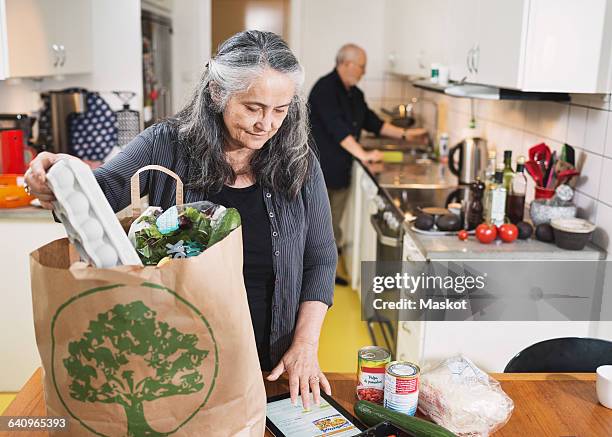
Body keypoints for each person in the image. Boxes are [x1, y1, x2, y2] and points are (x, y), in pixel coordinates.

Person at [24, 30, 334, 409]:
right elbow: (100, 190)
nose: (266, 124)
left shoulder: (299, 161)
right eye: (253, 107)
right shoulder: (166, 144)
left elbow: (320, 258)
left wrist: (305, 344)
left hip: (270, 363)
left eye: (280, 110)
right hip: (177, 364)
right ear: (218, 93)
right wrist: (54, 176)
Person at [308, 43, 426, 284]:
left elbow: (374, 123)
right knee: (318, 228)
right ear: (347, 64)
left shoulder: (354, 94)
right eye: (362, 66)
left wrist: (408, 135)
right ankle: (315, 280)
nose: (364, 71)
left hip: (340, 171)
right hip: (320, 171)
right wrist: (364, 154)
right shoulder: (325, 89)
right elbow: (337, 129)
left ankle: (324, 273)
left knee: (331, 224)